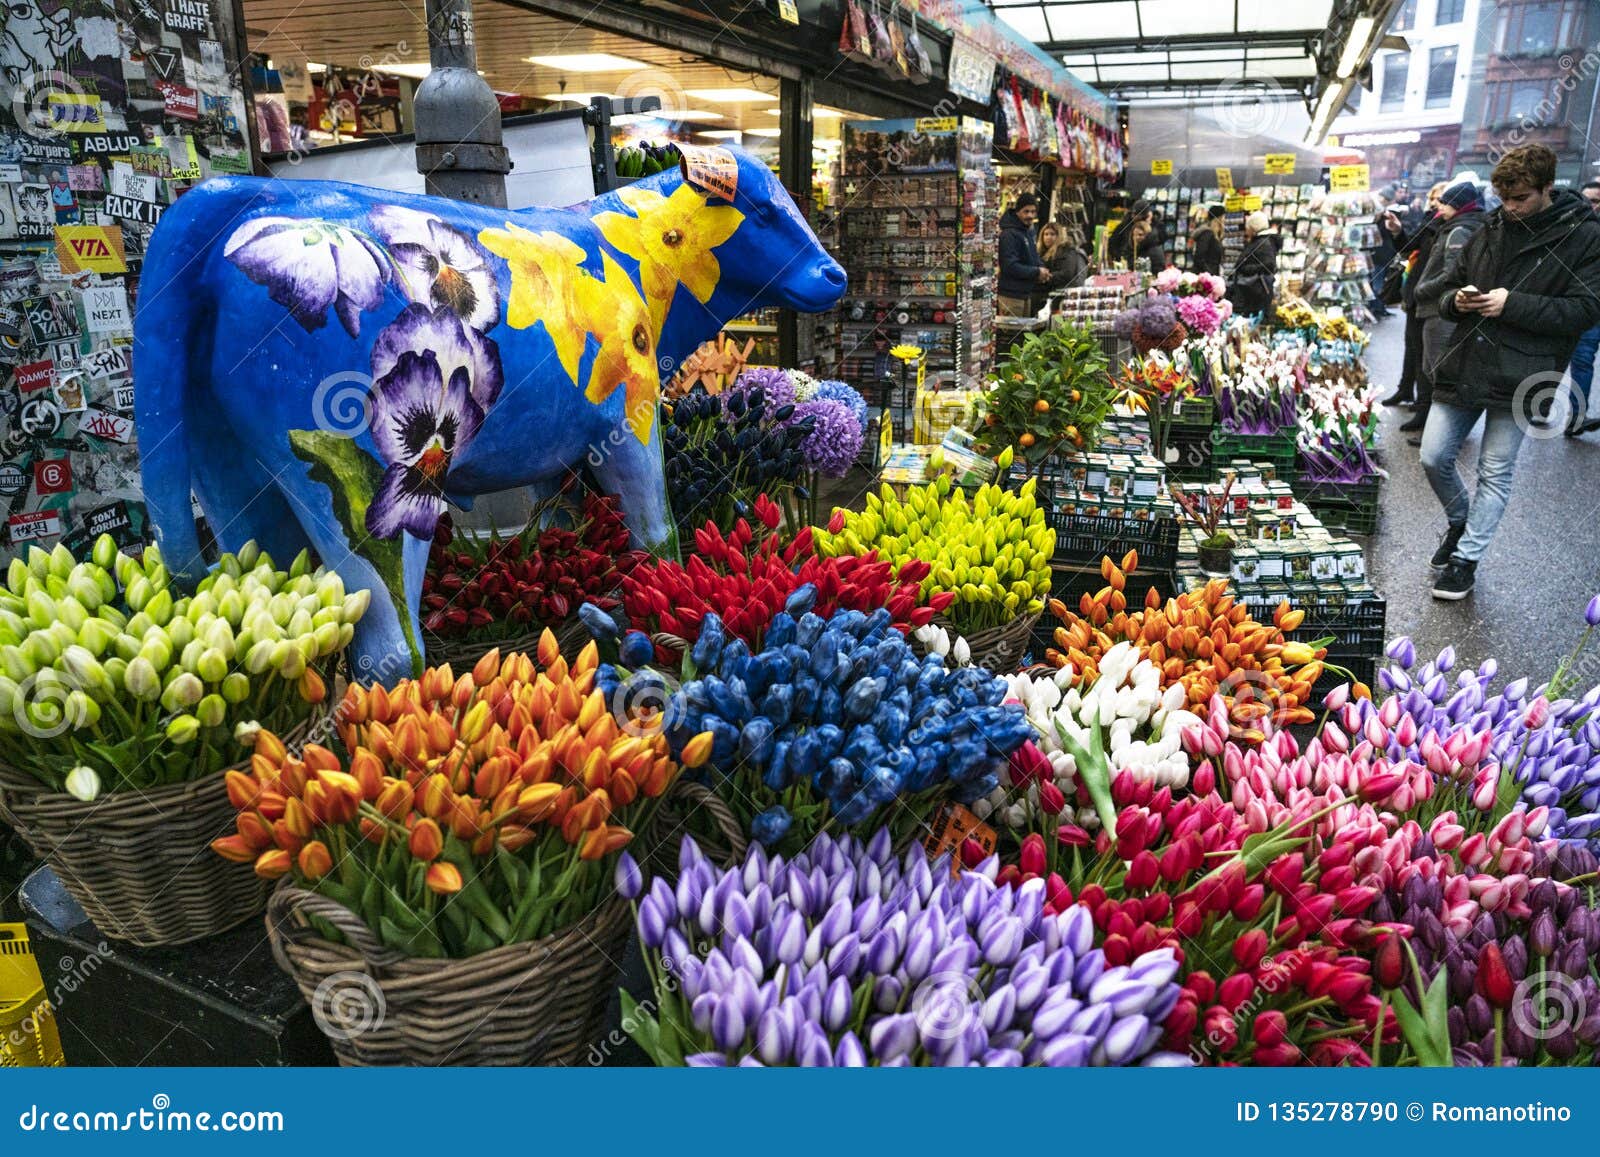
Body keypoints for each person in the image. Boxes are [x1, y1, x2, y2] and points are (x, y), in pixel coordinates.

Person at [1414, 145, 1600, 600]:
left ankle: (1465, 561)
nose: (1511, 207)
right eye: (1504, 199)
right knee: (1433, 456)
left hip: (1525, 372)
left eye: (1521, 199)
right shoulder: (1491, 225)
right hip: (1466, 360)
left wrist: (1511, 304)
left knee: (1495, 470)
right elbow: (1448, 288)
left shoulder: (1584, 236)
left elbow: (1585, 309)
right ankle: (1461, 522)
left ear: (1547, 188)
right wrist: (1456, 301)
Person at [1406, 182, 1486, 445]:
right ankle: (1438, 432)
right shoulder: (1456, 226)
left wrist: (1422, 289)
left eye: (1445, 202)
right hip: (1440, 308)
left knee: (1438, 372)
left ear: (1458, 205)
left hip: (1440, 310)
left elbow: (1452, 275)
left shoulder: (1459, 230)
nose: (1439, 206)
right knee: (1435, 370)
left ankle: (1441, 435)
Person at [1384, 182, 1448, 412]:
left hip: (1430, 295)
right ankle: (1405, 389)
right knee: (1411, 344)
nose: (1435, 203)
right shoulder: (1431, 220)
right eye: (1433, 198)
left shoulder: (1449, 226)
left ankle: (1423, 403)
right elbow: (1408, 247)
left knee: (1423, 350)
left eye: (1440, 199)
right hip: (1416, 291)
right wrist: (1397, 230)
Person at [1564, 178, 1600, 437]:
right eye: (1586, 200)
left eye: (1596, 201)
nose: (1591, 205)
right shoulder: (1570, 227)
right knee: (1578, 357)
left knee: (1583, 358)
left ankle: (1576, 417)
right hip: (1576, 303)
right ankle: (1571, 416)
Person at [997, 193, 1049, 316]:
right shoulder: (1009, 234)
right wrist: (1037, 272)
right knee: (1011, 328)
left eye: (1033, 212)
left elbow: (1033, 257)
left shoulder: (1027, 231)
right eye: (1026, 211)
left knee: (1023, 328)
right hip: (1011, 296)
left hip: (1025, 294)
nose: (1030, 215)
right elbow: (1009, 266)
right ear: (1017, 212)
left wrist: (1042, 269)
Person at [1226, 211, 1279, 319]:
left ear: (1254, 227)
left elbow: (1269, 265)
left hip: (1254, 291)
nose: (1246, 230)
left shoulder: (1263, 243)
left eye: (1248, 227)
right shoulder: (1261, 241)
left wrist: (1245, 268)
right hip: (1253, 290)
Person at [1108, 201, 1165, 272]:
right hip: (1127, 263)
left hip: (1145, 264)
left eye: (1137, 214)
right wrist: (1119, 258)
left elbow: (1159, 240)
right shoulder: (1126, 224)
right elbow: (1113, 242)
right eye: (1133, 214)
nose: (1133, 216)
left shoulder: (1154, 228)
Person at [1036, 221, 1087, 300]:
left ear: (1059, 236)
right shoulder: (1040, 252)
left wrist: (1046, 277)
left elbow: (1067, 274)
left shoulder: (1067, 251)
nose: (1048, 237)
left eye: (1052, 234)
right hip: (1045, 293)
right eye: (1046, 234)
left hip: (1061, 295)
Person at [1187, 203, 1225, 276]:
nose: (1225, 219)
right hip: (1205, 277)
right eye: (1224, 216)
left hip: (1210, 275)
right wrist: (1209, 273)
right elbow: (1199, 257)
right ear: (1219, 218)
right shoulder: (1207, 234)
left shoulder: (1216, 235)